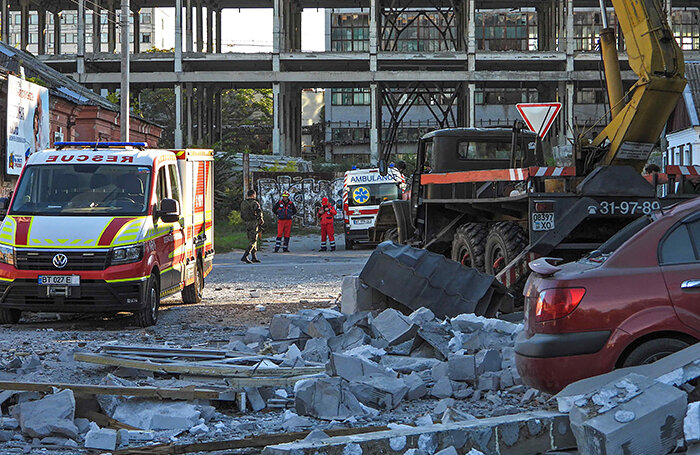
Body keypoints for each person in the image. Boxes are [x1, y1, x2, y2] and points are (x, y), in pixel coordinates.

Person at [240, 189, 264, 264]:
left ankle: (254, 257)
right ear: (253, 195)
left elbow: (241, 213)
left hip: (246, 222)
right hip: (254, 222)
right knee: (253, 240)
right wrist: (261, 220)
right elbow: (259, 212)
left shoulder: (243, 203)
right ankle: (245, 255)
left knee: (252, 238)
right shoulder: (255, 203)